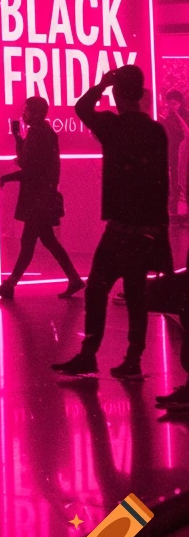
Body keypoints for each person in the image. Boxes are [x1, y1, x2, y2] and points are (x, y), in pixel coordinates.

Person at [52, 65, 171, 380]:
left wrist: (101, 84)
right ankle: (133, 358)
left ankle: (90, 354)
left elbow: (81, 108)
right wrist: (161, 228)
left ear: (117, 94)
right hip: (145, 229)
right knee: (135, 295)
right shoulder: (156, 131)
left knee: (98, 290)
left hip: (119, 228)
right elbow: (162, 181)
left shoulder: (112, 126)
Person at [0, 97, 83, 300]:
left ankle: (10, 285)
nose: (23, 113)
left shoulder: (39, 134)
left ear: (36, 112)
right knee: (46, 240)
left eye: (26, 110)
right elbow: (30, 162)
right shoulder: (42, 133)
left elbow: (30, 167)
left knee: (29, 242)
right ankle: (73, 279)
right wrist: (18, 138)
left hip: (37, 197)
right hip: (41, 196)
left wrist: (8, 177)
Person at [162, 91, 187, 220]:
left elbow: (186, 131)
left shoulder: (184, 115)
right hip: (172, 150)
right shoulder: (168, 117)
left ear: (179, 103)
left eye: (174, 104)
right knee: (173, 178)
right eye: (169, 103)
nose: (172, 106)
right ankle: (173, 207)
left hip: (184, 151)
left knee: (183, 177)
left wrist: (177, 115)